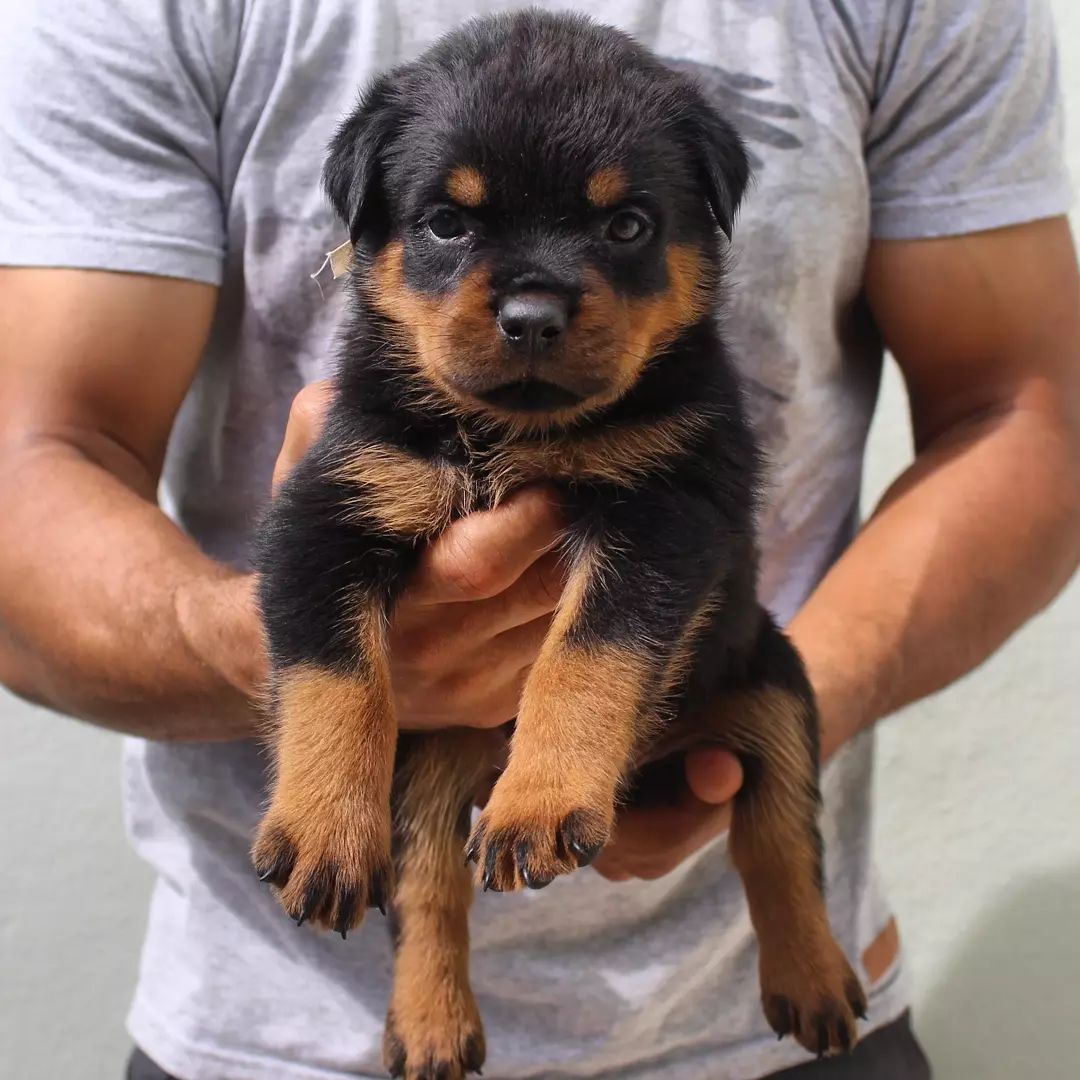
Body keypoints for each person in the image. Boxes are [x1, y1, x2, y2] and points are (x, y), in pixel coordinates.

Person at [1, 1, 1077, 1078]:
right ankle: (426, 970)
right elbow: (46, 457)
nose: (533, 307)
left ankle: (791, 913)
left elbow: (1027, 417)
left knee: (772, 704)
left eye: (624, 230)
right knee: (423, 762)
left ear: (706, 235)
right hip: (265, 1036)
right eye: (449, 227)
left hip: (757, 1013)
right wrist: (306, 702)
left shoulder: (674, 407)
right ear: (368, 237)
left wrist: (645, 743)